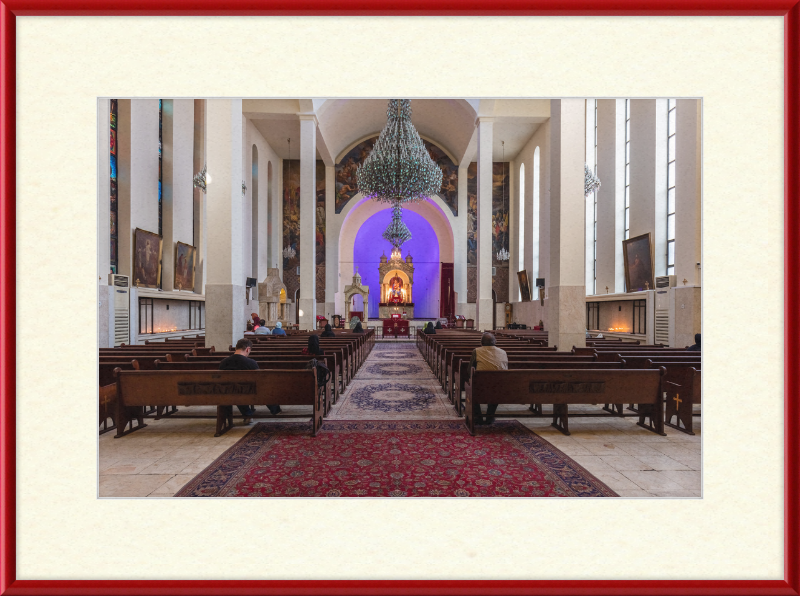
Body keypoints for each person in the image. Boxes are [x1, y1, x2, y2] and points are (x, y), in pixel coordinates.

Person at [217, 338, 280, 423]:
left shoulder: (224, 362)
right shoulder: (251, 362)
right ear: (247, 349)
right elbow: (259, 380)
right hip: (249, 391)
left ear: (236, 348)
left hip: (228, 391)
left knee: (237, 389)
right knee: (263, 387)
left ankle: (247, 414)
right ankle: (275, 410)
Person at [470, 333, 508, 425]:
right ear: (495, 342)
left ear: (481, 343)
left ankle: (478, 416)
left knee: (472, 386)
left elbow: (470, 370)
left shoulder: (476, 351)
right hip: (500, 387)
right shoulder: (503, 352)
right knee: (496, 384)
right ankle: (490, 416)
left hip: (481, 387)